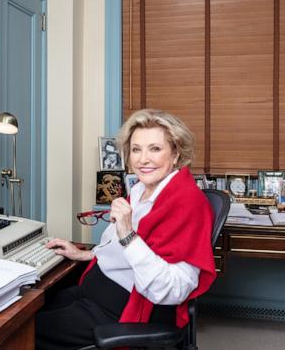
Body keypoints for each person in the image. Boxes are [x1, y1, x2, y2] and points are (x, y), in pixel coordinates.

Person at [35, 109, 216, 350]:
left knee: (26, 331)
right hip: (95, 288)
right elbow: (120, 249)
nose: (143, 159)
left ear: (176, 154)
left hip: (123, 306)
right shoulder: (141, 189)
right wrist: (86, 254)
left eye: (155, 149)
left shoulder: (188, 203)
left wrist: (128, 234)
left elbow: (175, 289)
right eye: (136, 149)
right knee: (37, 307)